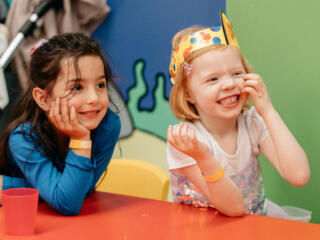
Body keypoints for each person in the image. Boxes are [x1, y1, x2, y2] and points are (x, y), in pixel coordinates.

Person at [166, 12, 311, 220]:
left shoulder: (252, 122)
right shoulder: (186, 141)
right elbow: (234, 208)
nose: (229, 84)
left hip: (253, 225)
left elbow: (299, 175)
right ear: (188, 94)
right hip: (202, 231)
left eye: (236, 73)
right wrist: (203, 157)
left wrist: (267, 111)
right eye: (212, 79)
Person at [0, 33, 121, 215]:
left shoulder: (108, 126)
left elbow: (77, 193)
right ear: (43, 98)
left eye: (100, 85)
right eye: (77, 87)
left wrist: (10, 186)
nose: (94, 98)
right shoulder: (23, 138)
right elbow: (69, 201)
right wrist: (81, 140)